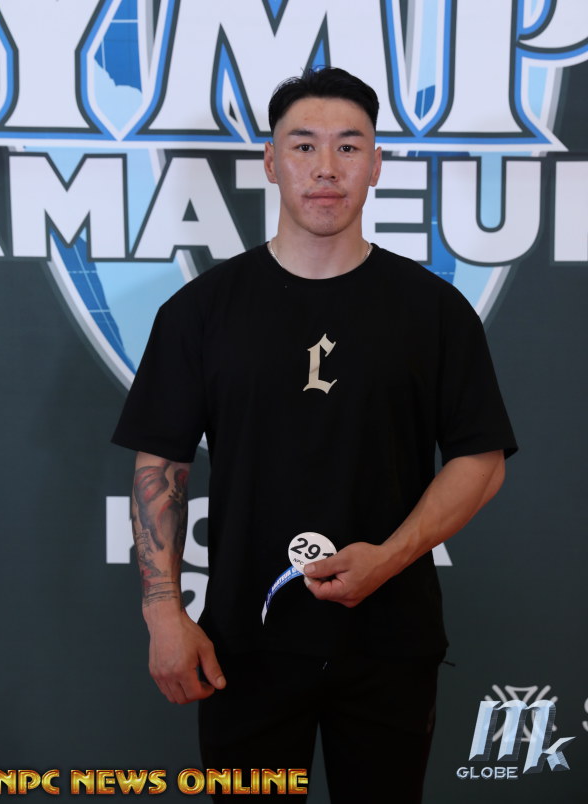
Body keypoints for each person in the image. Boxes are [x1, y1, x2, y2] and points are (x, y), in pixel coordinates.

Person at [112, 67, 516, 802]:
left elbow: (481, 461)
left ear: (376, 164)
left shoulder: (434, 310)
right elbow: (160, 465)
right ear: (270, 162)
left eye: (348, 146)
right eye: (303, 146)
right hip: (244, 645)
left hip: (390, 643)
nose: (326, 167)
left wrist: (389, 559)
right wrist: (162, 612)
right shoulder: (201, 311)